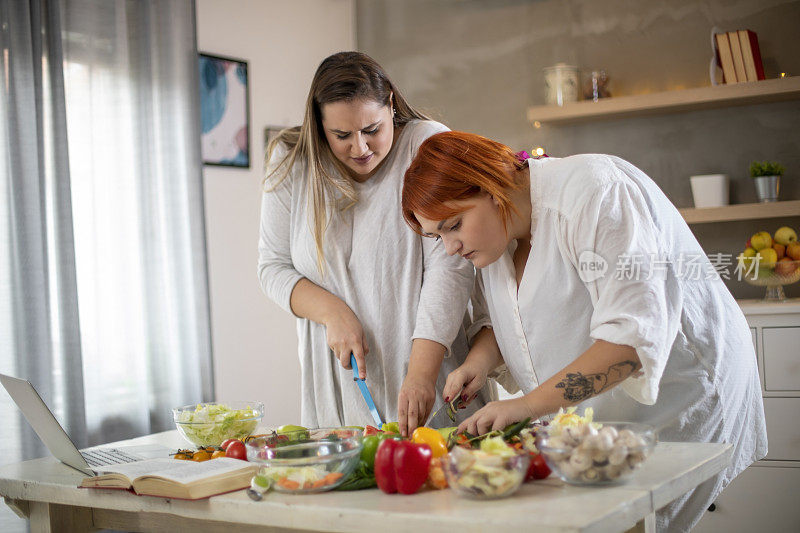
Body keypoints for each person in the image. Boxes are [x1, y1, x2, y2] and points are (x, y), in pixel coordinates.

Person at [401, 131, 767, 531]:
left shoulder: (595, 192)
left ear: (490, 186)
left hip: (681, 394)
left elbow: (629, 342)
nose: (450, 247)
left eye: (453, 225)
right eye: (439, 236)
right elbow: (514, 317)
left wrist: (524, 406)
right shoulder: (499, 235)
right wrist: (480, 360)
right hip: (601, 417)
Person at [258, 53, 493, 436]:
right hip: (339, 395)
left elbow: (450, 267)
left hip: (434, 379)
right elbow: (272, 267)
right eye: (342, 136)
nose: (361, 148)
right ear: (319, 126)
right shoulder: (291, 159)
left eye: (372, 129)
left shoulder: (426, 142)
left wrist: (421, 375)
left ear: (391, 105)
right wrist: (331, 312)